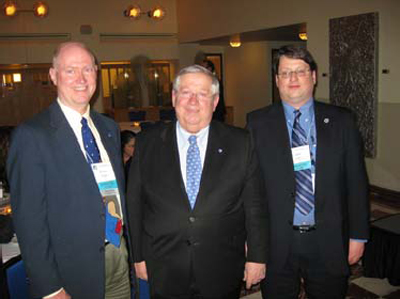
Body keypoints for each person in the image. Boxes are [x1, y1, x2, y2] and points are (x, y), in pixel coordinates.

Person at [127, 65, 267, 298]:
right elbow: (135, 203)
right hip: (163, 264)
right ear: (174, 98)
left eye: (202, 94)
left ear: (215, 102)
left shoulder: (241, 143)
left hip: (221, 265)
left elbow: (255, 206)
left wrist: (257, 257)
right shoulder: (147, 143)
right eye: (186, 93)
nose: (193, 101)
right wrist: (138, 257)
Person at [7, 42, 131, 299]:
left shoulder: (109, 128)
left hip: (117, 254)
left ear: (96, 72)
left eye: (87, 69)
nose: (81, 79)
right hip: (70, 272)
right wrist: (50, 288)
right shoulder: (32, 135)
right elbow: (29, 223)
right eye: (70, 70)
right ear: (53, 75)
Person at [247, 45, 369, 298]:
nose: (292, 78)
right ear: (277, 80)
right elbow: (251, 189)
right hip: (277, 241)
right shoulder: (256, 123)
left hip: (329, 238)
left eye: (300, 71)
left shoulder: (342, 120)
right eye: (285, 72)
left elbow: (357, 183)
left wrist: (358, 236)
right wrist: (252, 242)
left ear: (313, 77)